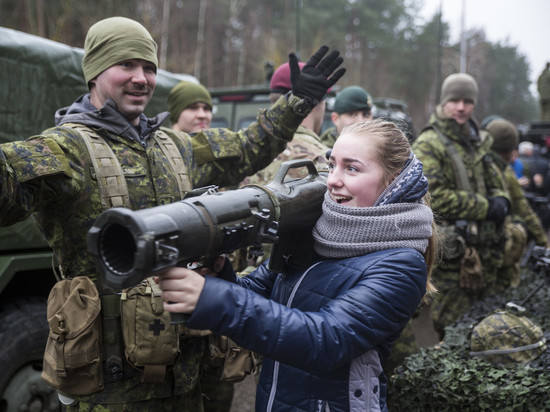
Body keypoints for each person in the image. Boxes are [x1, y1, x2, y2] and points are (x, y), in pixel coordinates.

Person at [0, 16, 345, 411]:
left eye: (148, 67)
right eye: (126, 64)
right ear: (94, 72)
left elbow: (248, 146)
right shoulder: (65, 150)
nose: (141, 78)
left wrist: (297, 101)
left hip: (185, 373)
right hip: (113, 387)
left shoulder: (175, 147)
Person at [157, 119, 438, 412]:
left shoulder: (402, 264)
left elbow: (326, 340)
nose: (333, 180)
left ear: (393, 182)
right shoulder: (320, 232)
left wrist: (215, 298)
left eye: (351, 168)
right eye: (332, 165)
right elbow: (260, 291)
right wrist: (219, 277)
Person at [412, 73, 511, 340]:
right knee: (454, 332)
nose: (461, 107)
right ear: (443, 103)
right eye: (454, 100)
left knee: (489, 328)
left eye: (468, 101)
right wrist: (487, 207)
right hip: (455, 259)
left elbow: (496, 182)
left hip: (487, 255)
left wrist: (502, 199)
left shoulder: (477, 142)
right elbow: (435, 196)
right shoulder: (429, 143)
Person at [166, 80, 233, 412]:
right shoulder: (164, 156)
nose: (203, 114)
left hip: (214, 285)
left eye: (207, 108)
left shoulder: (218, 157)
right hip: (173, 295)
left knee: (219, 386)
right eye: (194, 108)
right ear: (177, 113)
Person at [237, 60, 333, 274]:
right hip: (294, 289)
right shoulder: (328, 163)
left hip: (237, 287)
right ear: (319, 104)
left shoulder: (244, 157)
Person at [485, 117, 549, 287]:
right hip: (500, 252)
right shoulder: (504, 172)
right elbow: (524, 209)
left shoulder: (479, 165)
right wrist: (545, 243)